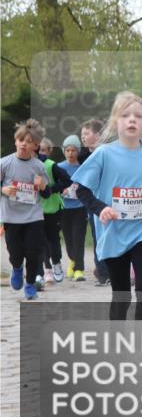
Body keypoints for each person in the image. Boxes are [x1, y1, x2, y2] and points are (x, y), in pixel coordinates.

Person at [73, 92, 142, 320]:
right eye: (125, 115)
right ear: (115, 121)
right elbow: (81, 189)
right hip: (114, 232)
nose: (132, 120)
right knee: (122, 295)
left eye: (138, 116)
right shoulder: (104, 154)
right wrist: (101, 208)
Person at [1, 119, 52, 300]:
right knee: (16, 253)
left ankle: (30, 284)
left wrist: (43, 186)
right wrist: (3, 189)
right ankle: (16, 268)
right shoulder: (4, 164)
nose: (24, 144)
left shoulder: (39, 166)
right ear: (15, 141)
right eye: (21, 140)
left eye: (29, 141)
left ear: (36, 145)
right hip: (12, 217)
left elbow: (47, 194)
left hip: (33, 217)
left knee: (33, 252)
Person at [79, 118, 110, 285]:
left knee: (112, 234)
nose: (83, 137)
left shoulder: (109, 153)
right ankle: (102, 271)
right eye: (82, 134)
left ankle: (114, 270)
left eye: (86, 133)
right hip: (93, 203)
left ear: (98, 135)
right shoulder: (83, 156)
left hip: (111, 200)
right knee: (97, 235)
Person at [38, 137, 72, 285]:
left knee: (53, 239)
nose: (40, 153)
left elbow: (67, 180)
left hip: (52, 209)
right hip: (35, 209)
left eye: (43, 150)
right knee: (41, 240)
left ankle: (57, 263)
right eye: (38, 150)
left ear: (49, 152)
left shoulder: (51, 166)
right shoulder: (27, 165)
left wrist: (51, 189)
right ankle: (47, 270)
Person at [58, 135, 88, 281]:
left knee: (78, 238)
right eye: (68, 150)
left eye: (73, 150)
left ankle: (79, 270)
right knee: (69, 239)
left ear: (78, 151)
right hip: (64, 208)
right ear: (64, 151)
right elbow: (54, 185)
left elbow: (88, 186)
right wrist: (61, 190)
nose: (71, 153)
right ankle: (73, 260)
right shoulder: (59, 167)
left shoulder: (83, 168)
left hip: (80, 208)